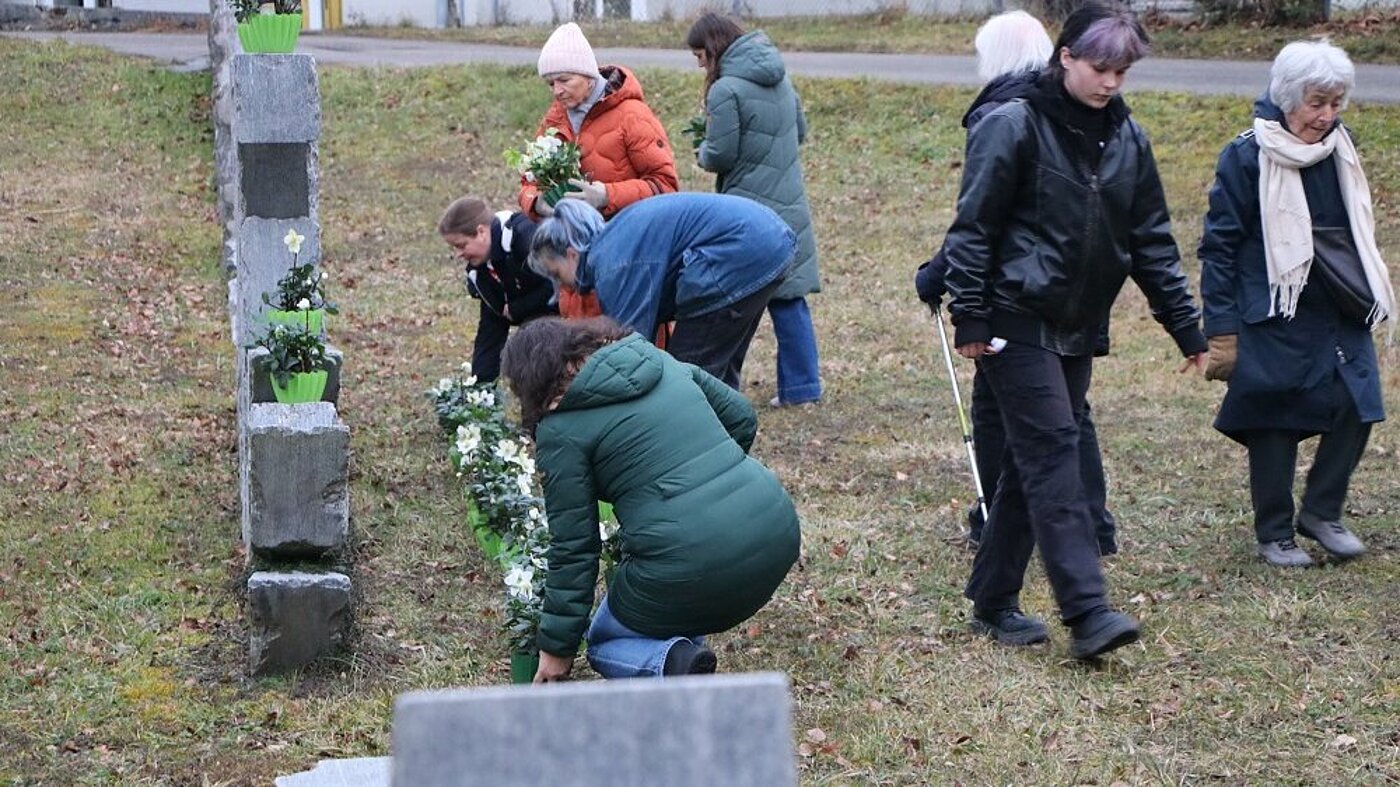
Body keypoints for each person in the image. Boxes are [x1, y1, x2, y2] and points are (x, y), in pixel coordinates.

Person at [942, 2, 1207, 660]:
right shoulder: (1013, 125)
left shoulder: (1128, 139)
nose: (1111, 81)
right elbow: (972, 230)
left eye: (1122, 70)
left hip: (1077, 322)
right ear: (1065, 58)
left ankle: (993, 599)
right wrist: (971, 315)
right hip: (1012, 315)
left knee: (1027, 463)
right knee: (1054, 449)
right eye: (1100, 67)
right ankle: (1087, 611)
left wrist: (1187, 327)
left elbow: (1151, 241)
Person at [914, 10, 1120, 556]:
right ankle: (1094, 523)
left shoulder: (1003, 114)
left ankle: (995, 518)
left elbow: (985, 218)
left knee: (997, 406)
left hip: (1020, 294)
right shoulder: (1078, 110)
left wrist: (941, 277)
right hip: (1075, 286)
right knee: (1070, 410)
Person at [499, 316, 801, 680]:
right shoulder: (659, 361)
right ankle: (684, 649)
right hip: (777, 529)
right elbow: (742, 417)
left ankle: (672, 664)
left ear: (530, 383)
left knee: (605, 643)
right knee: (671, 586)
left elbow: (574, 548)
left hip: (690, 562)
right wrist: (712, 479)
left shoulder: (561, 430)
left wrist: (556, 649)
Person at [1198, 40, 1391, 568]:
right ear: (1286, 97)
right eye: (1316, 103)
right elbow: (1218, 247)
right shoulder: (1246, 155)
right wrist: (1221, 327)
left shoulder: (1340, 148)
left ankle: (1321, 513)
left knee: (1359, 403)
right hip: (1274, 308)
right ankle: (1275, 531)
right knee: (1274, 420)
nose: (1327, 117)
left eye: (1335, 104)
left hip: (1337, 304)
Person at [687, 12, 823, 408]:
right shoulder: (779, 75)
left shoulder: (725, 90)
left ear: (713, 48)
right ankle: (803, 387)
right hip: (789, 198)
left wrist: (703, 151)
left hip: (749, 206)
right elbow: (800, 130)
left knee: (738, 301)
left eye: (699, 55)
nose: (698, 64)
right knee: (790, 297)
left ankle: (723, 385)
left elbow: (721, 153)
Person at [527, 194, 795, 390]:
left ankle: (695, 458)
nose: (561, 285)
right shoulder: (616, 240)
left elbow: (632, 349)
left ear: (572, 254)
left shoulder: (613, 264)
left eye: (556, 273)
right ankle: (726, 448)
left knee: (686, 378)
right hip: (767, 242)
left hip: (741, 251)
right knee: (717, 370)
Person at [437, 196, 556, 383]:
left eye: (461, 245)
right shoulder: (482, 269)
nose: (458, 254)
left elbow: (558, 287)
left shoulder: (525, 240)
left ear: (481, 232)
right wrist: (480, 388)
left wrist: (518, 308)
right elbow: (491, 327)